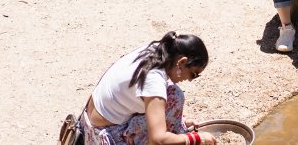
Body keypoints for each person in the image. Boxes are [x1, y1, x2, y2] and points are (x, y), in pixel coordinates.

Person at [83, 32, 217, 145]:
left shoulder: (159, 49)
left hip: (95, 114)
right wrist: (197, 139)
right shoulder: (154, 80)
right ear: (182, 62)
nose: (189, 80)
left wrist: (180, 121)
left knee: (173, 94)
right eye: (193, 74)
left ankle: (177, 129)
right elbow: (157, 140)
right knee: (175, 98)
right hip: (105, 131)